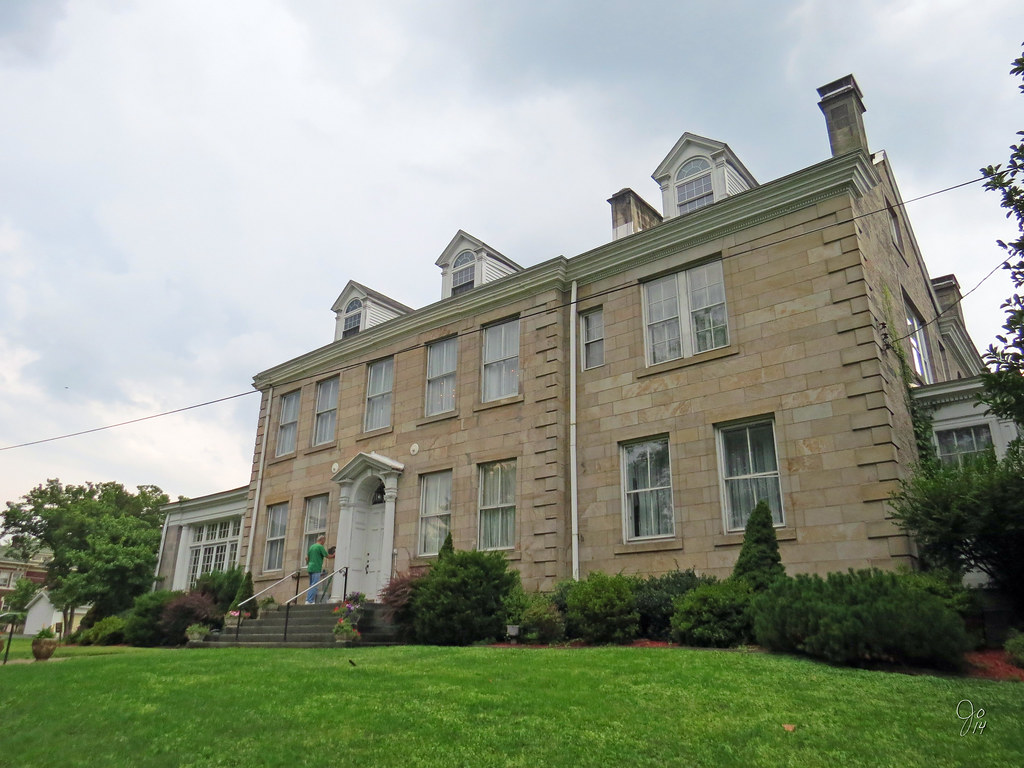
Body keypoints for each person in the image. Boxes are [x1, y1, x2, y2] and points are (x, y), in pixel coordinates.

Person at [306, 535, 333, 604]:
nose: (324, 542)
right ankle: (310, 600)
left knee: (311, 585)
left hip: (310, 567)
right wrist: (334, 555)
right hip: (316, 568)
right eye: (324, 541)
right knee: (315, 585)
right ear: (322, 540)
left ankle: (308, 600)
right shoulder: (320, 547)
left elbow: (307, 558)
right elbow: (327, 556)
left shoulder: (312, 547)